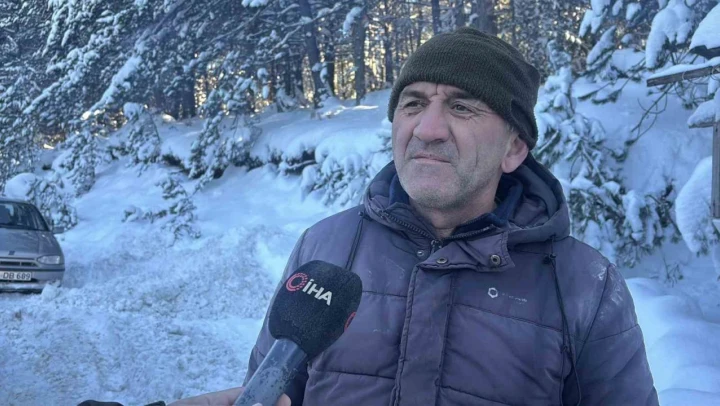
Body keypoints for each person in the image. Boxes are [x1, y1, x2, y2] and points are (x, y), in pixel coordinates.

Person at [185, 27, 659, 406]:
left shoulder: (585, 286)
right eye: (412, 103)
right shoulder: (324, 247)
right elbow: (268, 390)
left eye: (462, 107)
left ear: (514, 148)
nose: (427, 129)